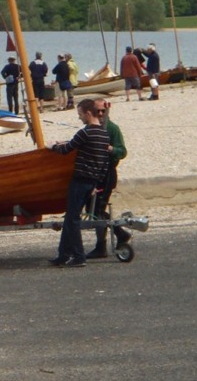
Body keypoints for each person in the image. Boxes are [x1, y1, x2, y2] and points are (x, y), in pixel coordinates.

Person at [48, 98, 110, 267]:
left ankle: (78, 256)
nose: (80, 118)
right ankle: (63, 254)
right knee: (70, 217)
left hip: (80, 180)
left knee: (73, 219)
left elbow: (66, 150)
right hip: (91, 182)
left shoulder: (86, 132)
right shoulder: (104, 134)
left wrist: (52, 146)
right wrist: (96, 185)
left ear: (88, 113)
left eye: (80, 114)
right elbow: (104, 162)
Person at [87, 100, 131, 258]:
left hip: (107, 175)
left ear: (107, 112)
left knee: (98, 209)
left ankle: (104, 245)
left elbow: (122, 151)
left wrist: (111, 149)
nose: (100, 114)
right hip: (94, 174)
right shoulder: (89, 128)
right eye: (97, 111)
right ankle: (117, 235)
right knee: (91, 210)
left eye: (102, 111)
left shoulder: (112, 129)